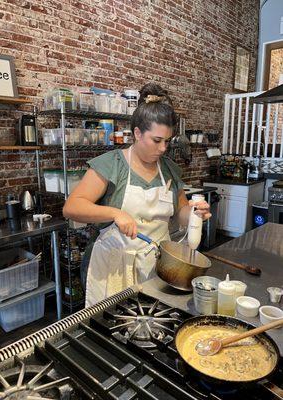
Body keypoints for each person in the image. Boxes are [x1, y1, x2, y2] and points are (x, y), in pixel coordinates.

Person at [63, 83, 211, 307]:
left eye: (167, 141)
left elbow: (180, 212)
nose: (163, 148)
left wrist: (194, 213)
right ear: (137, 133)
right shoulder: (112, 164)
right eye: (157, 140)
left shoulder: (169, 169)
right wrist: (115, 213)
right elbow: (72, 207)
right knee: (112, 325)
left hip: (157, 265)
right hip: (114, 265)